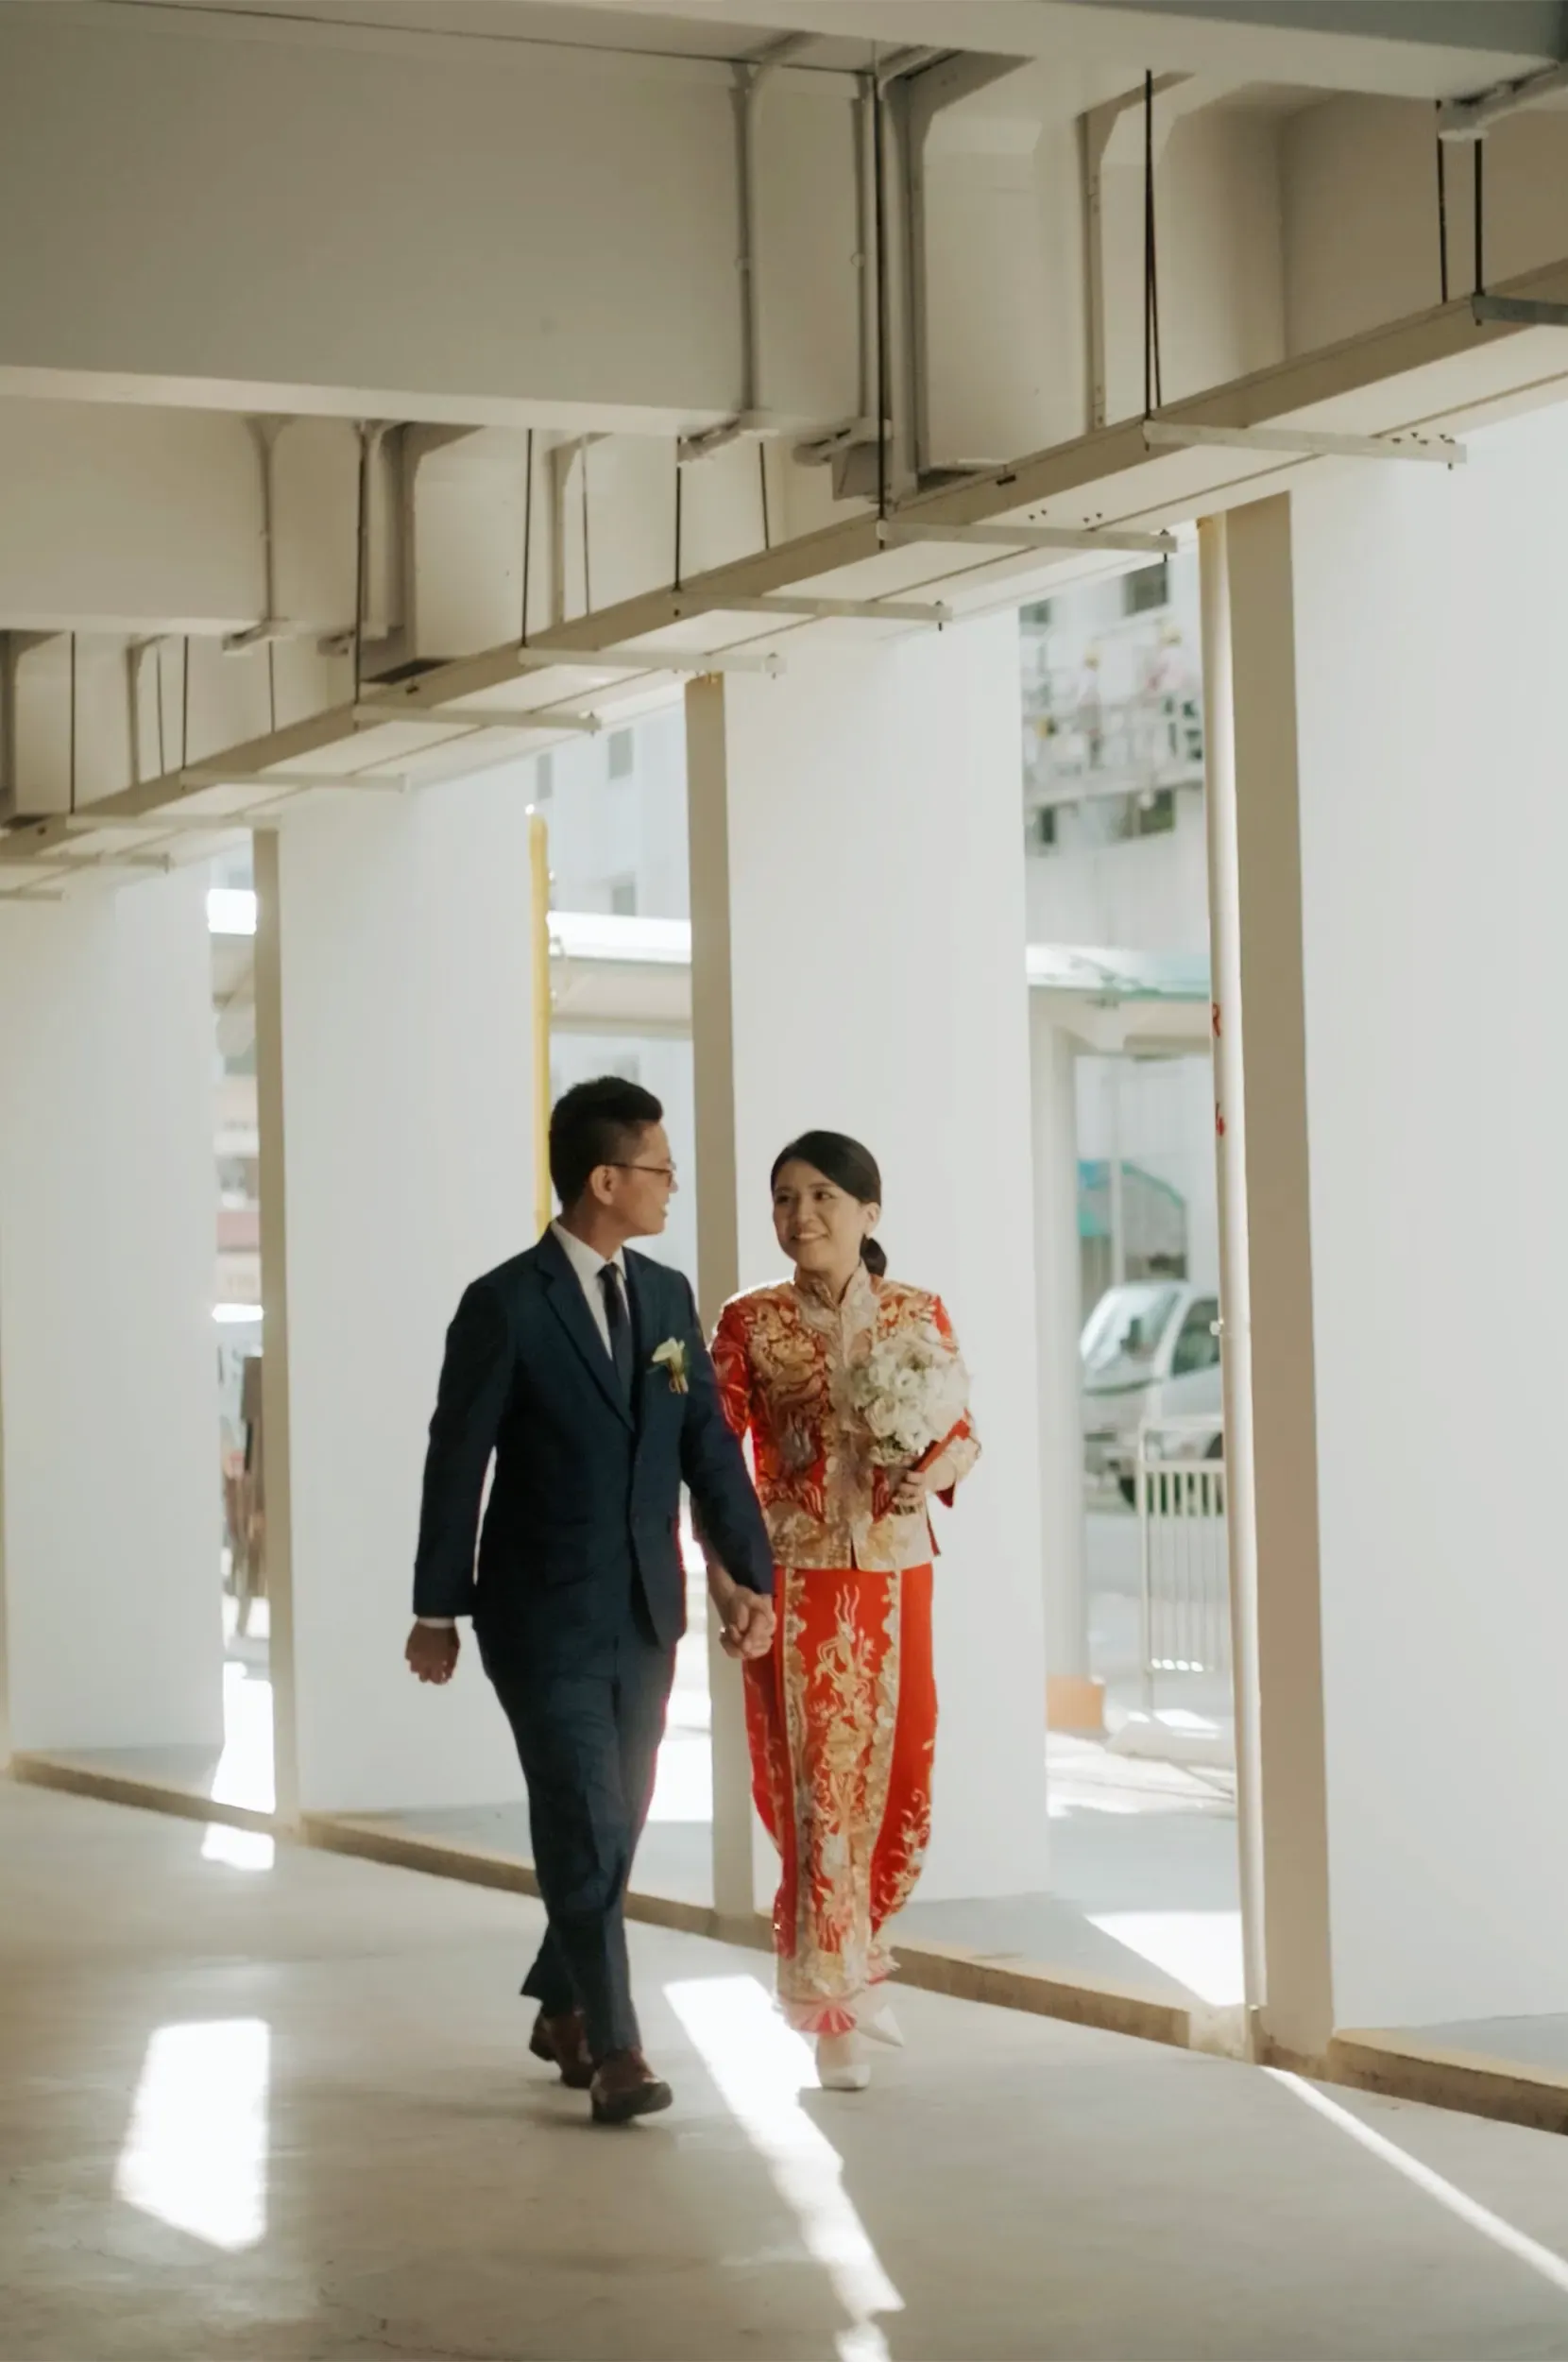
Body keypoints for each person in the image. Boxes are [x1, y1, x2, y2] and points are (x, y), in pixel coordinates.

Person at [405, 1077, 775, 2125]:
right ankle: (615, 2047)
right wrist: (438, 1607)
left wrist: (749, 1575)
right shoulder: (505, 1303)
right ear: (605, 1179)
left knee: (616, 1817)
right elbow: (456, 1461)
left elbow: (704, 1440)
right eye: (659, 1168)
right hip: (539, 1614)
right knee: (582, 1809)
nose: (670, 1186)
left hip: (645, 1610)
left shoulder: (662, 1299)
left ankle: (559, 2001)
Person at [707, 1132, 978, 2093]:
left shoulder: (918, 1311)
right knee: (819, 1787)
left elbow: (961, 1433)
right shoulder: (749, 1323)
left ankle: (862, 1961)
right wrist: (725, 1567)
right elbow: (711, 1448)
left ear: (869, 1210)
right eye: (783, 1198)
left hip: (898, 1573)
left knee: (901, 1774)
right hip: (798, 1575)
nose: (800, 1215)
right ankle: (828, 2010)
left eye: (822, 1195)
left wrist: (926, 1471)